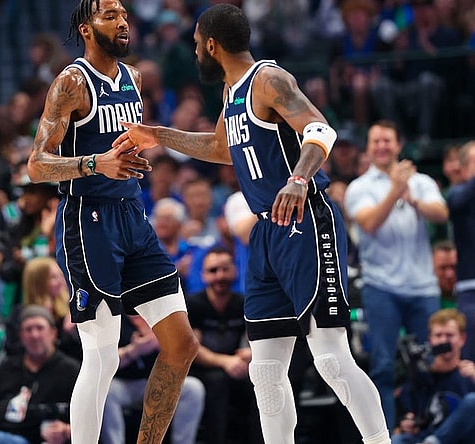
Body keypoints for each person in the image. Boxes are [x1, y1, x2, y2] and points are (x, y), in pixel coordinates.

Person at [112, 4, 390, 443]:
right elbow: (223, 147)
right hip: (265, 233)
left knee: (331, 357)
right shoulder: (231, 92)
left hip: (303, 220)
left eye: (195, 44)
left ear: (210, 44)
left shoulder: (268, 79)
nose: (194, 52)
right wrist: (157, 134)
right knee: (264, 369)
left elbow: (321, 131)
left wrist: (299, 179)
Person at [26, 1, 200, 442]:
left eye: (124, 13)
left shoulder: (134, 78)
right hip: (89, 220)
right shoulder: (71, 82)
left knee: (182, 345)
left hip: (133, 216)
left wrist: (133, 156)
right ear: (87, 29)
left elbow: (125, 146)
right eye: (110, 15)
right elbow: (36, 165)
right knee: (102, 355)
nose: (123, 22)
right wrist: (94, 164)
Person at [344, 120, 448, 430]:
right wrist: (395, 190)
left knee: (432, 363)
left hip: (423, 287)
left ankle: (435, 430)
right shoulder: (358, 187)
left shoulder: (422, 181)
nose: (381, 146)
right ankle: (385, 434)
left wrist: (411, 196)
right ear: (368, 147)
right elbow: (370, 223)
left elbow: (441, 214)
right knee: (383, 367)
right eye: (375, 141)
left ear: (398, 144)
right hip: (381, 287)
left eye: (387, 141)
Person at [0, 305, 80, 444]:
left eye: (40, 328)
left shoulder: (70, 370)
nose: (34, 335)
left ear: (53, 333)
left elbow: (88, 421)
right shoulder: (7, 367)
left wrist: (68, 430)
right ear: (20, 336)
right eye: (28, 329)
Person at [186, 246, 262, 444]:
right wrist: (225, 362)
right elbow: (193, 349)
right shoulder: (193, 304)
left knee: (259, 382)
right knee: (218, 381)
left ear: (235, 271)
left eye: (225, 269)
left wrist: (250, 354)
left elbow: (254, 340)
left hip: (238, 365)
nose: (220, 276)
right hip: (203, 370)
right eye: (213, 271)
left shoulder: (244, 303)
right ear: (203, 275)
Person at [101, 314, 205, 444]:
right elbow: (103, 363)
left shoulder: (163, 313)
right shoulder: (114, 316)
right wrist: (133, 351)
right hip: (126, 383)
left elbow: (189, 347)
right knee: (106, 391)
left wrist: (164, 345)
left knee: (193, 388)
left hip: (161, 381)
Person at [391, 309, 475, 444]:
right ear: (430, 339)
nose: (443, 341)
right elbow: (402, 423)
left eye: (449, 335)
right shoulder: (420, 376)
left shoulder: (470, 374)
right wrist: (406, 424)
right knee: (397, 440)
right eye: (438, 335)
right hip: (425, 437)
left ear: (462, 338)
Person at [447, 141, 475, 361]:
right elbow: (455, 202)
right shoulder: (457, 194)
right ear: (464, 169)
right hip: (470, 288)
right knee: (468, 357)